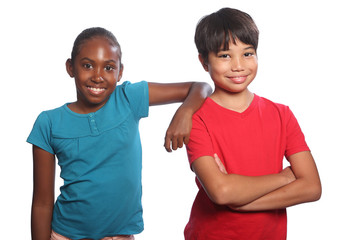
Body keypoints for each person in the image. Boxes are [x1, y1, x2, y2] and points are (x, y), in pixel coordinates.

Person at [27, 27, 211, 240]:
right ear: (70, 67)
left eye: (108, 67)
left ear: (120, 72)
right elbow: (41, 203)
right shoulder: (48, 122)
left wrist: (185, 112)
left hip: (119, 236)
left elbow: (201, 87)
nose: (97, 76)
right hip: (65, 235)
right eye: (87, 65)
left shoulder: (128, 98)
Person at [184, 8, 321, 240]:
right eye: (225, 55)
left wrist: (243, 204)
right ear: (204, 61)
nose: (238, 65)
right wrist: (286, 177)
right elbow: (221, 191)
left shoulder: (281, 114)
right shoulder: (197, 119)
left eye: (247, 54)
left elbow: (312, 187)